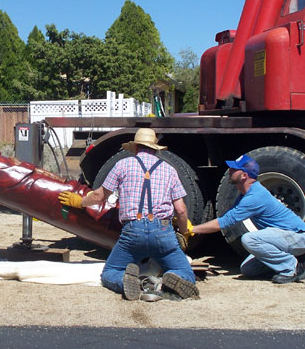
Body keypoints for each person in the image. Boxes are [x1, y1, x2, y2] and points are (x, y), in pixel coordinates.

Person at [58, 128, 198, 301]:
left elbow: (99, 196)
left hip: (133, 231)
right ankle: (170, 281)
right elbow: (181, 209)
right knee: (186, 272)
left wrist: (80, 202)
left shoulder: (122, 165)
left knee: (110, 272)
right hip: (163, 232)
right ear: (155, 148)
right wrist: (184, 231)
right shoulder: (169, 170)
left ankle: (126, 281)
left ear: (135, 147)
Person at [191, 154, 305, 283]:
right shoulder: (245, 194)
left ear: (244, 175)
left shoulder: (255, 197)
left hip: (298, 236)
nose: (229, 171)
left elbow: (224, 222)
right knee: (248, 269)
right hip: (283, 238)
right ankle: (297, 259)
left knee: (249, 239)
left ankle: (293, 268)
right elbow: (226, 217)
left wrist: (192, 229)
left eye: (234, 169)